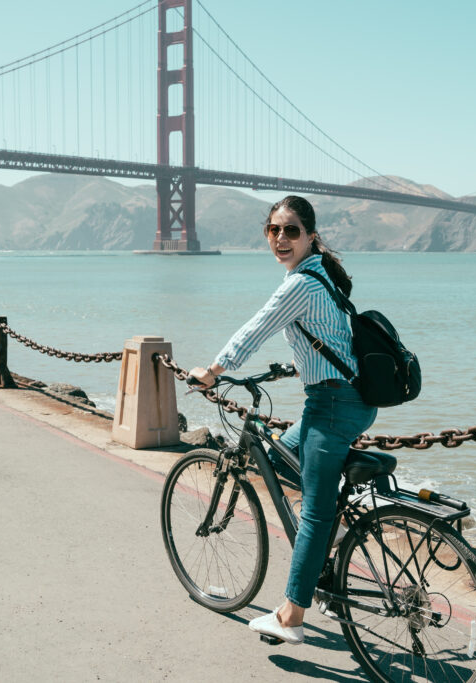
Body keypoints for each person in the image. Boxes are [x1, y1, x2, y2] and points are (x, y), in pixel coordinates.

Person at [189, 195, 377, 645]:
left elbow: (257, 327)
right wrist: (291, 368)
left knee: (313, 511)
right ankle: (328, 545)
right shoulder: (320, 276)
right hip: (343, 399)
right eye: (274, 230)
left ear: (311, 236)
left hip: (332, 406)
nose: (281, 238)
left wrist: (213, 371)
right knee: (282, 457)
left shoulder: (299, 284)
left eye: (291, 230)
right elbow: (327, 338)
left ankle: (292, 614)